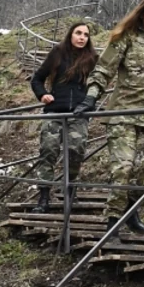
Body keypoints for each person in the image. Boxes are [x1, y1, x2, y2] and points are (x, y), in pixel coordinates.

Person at [74, 0, 144, 236]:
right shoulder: (125, 39)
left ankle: (131, 201)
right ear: (142, 14)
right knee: (122, 167)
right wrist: (91, 97)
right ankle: (113, 219)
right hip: (125, 109)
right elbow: (103, 70)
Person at [28, 22, 97, 213]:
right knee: (48, 150)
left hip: (79, 113)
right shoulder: (57, 53)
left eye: (85, 34)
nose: (82, 37)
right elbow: (37, 78)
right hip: (55, 111)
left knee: (76, 151)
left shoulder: (91, 58)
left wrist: (89, 102)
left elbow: (98, 82)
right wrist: (42, 94)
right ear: (71, 34)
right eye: (78, 33)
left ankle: (69, 192)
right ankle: (43, 199)